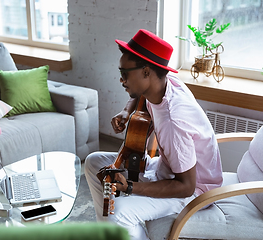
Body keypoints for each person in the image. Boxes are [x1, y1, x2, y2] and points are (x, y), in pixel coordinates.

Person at [84, 29, 223, 240]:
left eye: (124, 74)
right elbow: (140, 97)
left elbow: (186, 187)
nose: (121, 80)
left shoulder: (173, 121)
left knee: (119, 214)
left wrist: (131, 187)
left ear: (147, 72)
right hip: (165, 168)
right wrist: (126, 111)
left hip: (195, 191)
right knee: (94, 163)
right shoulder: (166, 85)